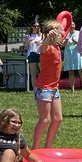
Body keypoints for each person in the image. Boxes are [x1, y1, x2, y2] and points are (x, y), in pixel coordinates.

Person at [32, 19, 64, 149]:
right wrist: (47, 38)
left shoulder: (57, 47)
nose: (62, 35)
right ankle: (34, 149)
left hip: (54, 88)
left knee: (57, 119)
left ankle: (48, 147)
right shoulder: (47, 47)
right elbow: (42, 48)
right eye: (60, 32)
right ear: (53, 34)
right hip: (44, 88)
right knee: (45, 119)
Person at [62, 26, 82, 91]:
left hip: (77, 54)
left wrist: (75, 41)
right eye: (70, 25)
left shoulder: (78, 32)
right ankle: (72, 89)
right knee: (71, 72)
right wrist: (66, 40)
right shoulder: (65, 33)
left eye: (73, 25)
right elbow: (63, 45)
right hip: (69, 54)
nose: (72, 26)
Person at [24, 20, 43, 89]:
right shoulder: (28, 35)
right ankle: (35, 88)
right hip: (32, 54)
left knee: (43, 72)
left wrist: (40, 43)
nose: (36, 27)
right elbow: (26, 47)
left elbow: (45, 44)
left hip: (40, 54)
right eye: (35, 26)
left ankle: (43, 87)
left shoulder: (41, 35)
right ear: (32, 27)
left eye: (38, 26)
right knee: (33, 73)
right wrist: (29, 41)